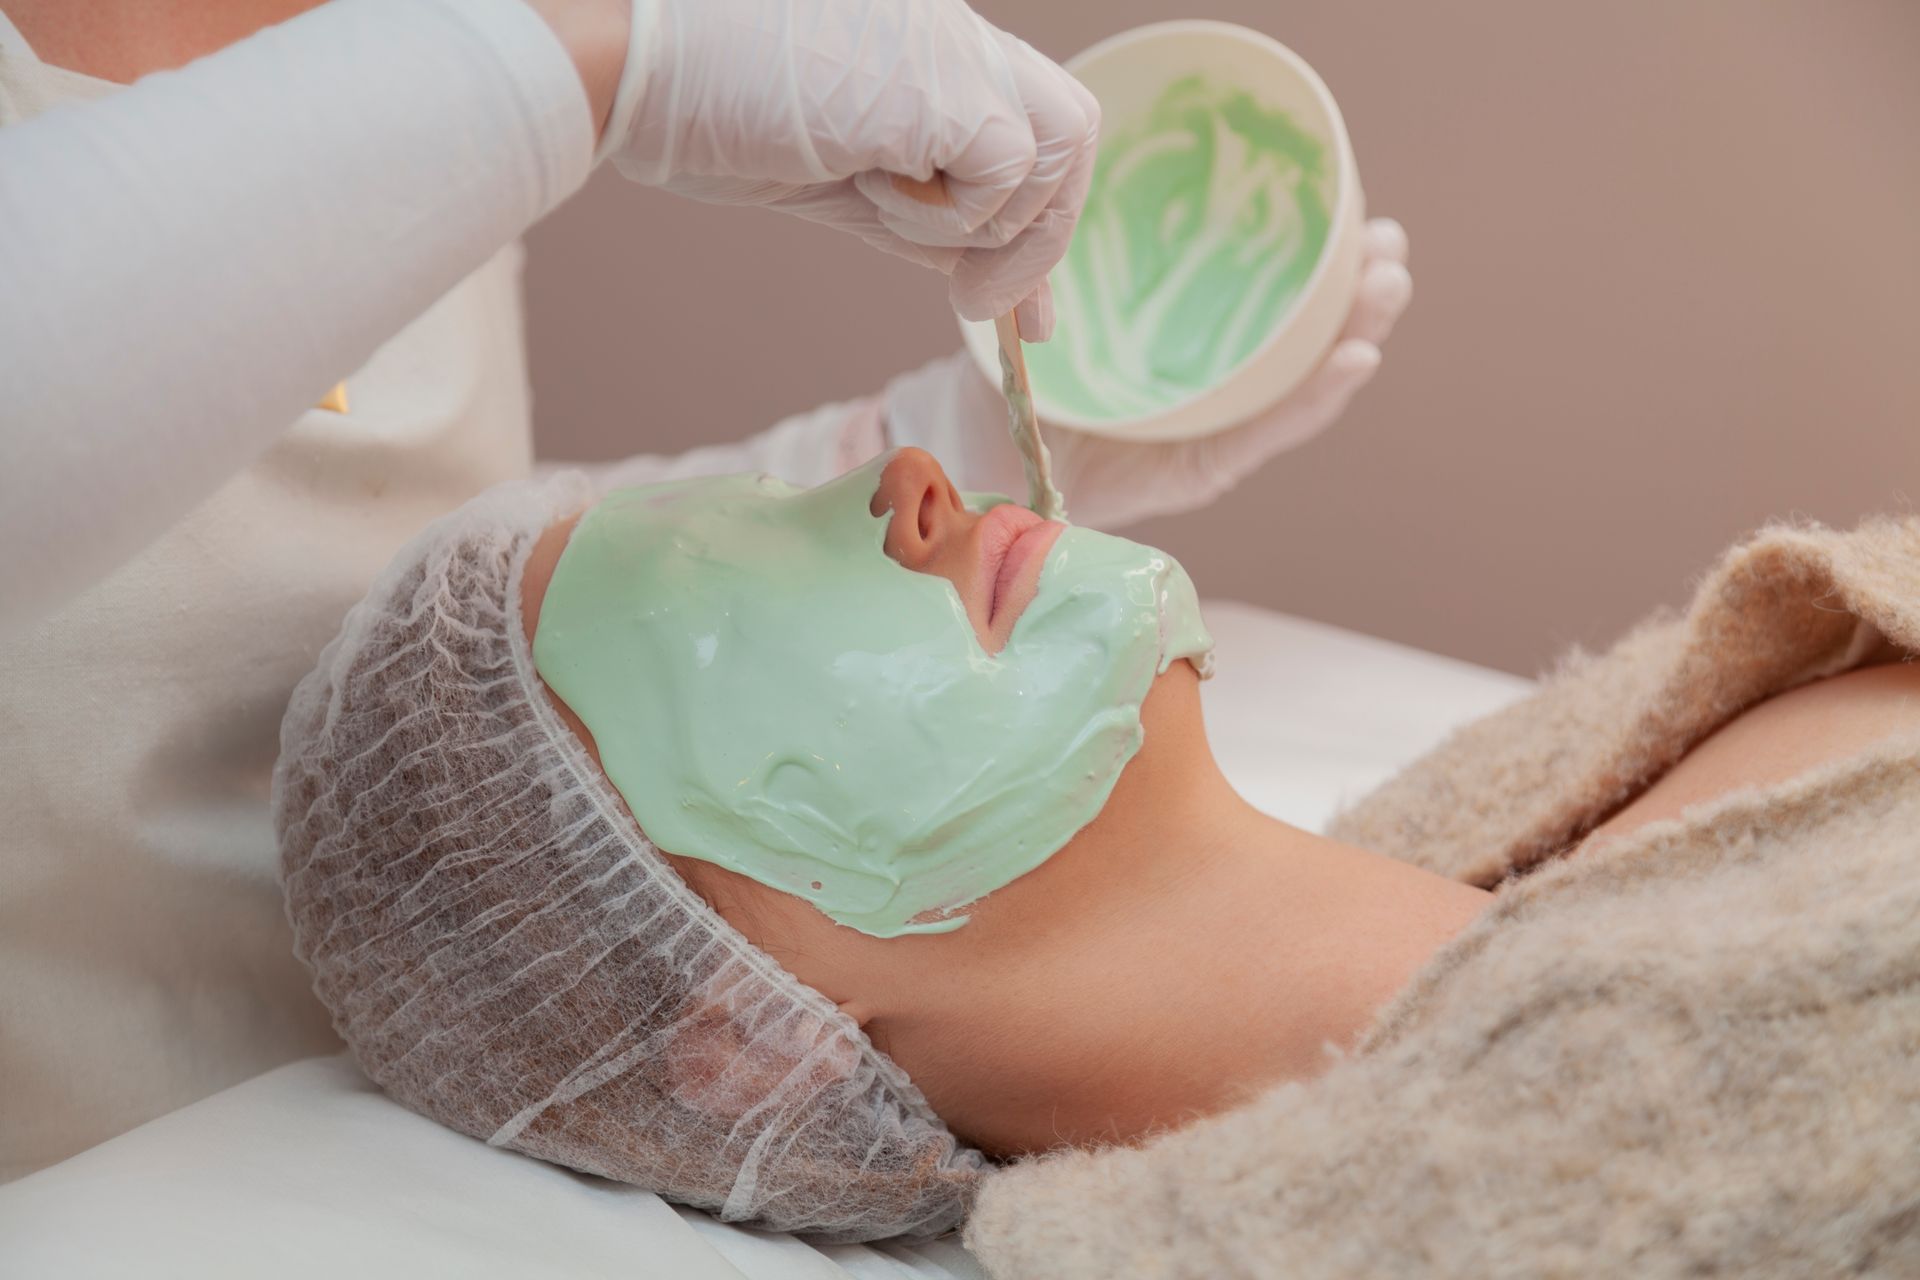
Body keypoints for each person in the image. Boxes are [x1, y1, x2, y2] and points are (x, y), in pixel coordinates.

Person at [0, 0, 1410, 1181]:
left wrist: (974, 435)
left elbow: (479, 587)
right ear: (750, 1046)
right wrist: (572, 53)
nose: (919, 478)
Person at [274, 447, 1920, 1242]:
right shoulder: (1501, 1205)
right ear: (737, 1045)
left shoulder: (1531, 813)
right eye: (718, 595)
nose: (909, 479)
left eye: (794, 493)